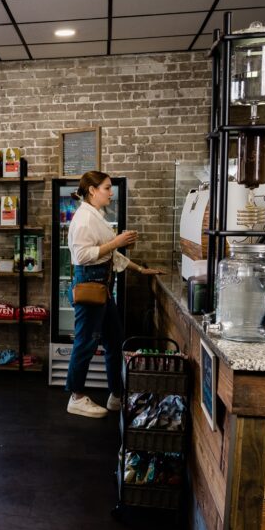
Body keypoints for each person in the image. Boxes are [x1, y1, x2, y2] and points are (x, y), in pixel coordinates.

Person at [65, 171, 164, 418]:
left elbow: (111, 256)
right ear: (92, 190)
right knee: (85, 342)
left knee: (114, 341)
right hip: (90, 286)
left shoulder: (95, 216)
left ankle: (117, 396)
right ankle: (76, 397)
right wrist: (117, 242)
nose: (111, 192)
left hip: (103, 288)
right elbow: (82, 256)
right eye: (107, 188)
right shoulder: (84, 219)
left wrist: (140, 269)